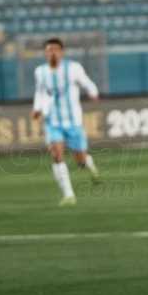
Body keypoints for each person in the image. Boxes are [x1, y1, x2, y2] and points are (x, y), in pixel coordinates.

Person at [31, 38, 101, 206]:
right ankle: (69, 195)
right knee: (56, 154)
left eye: (55, 49)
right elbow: (40, 92)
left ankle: (90, 165)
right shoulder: (40, 71)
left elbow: (87, 82)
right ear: (45, 53)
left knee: (80, 160)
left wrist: (93, 92)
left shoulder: (73, 68)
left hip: (73, 121)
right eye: (49, 50)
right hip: (52, 121)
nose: (52, 53)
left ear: (62, 52)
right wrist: (37, 108)